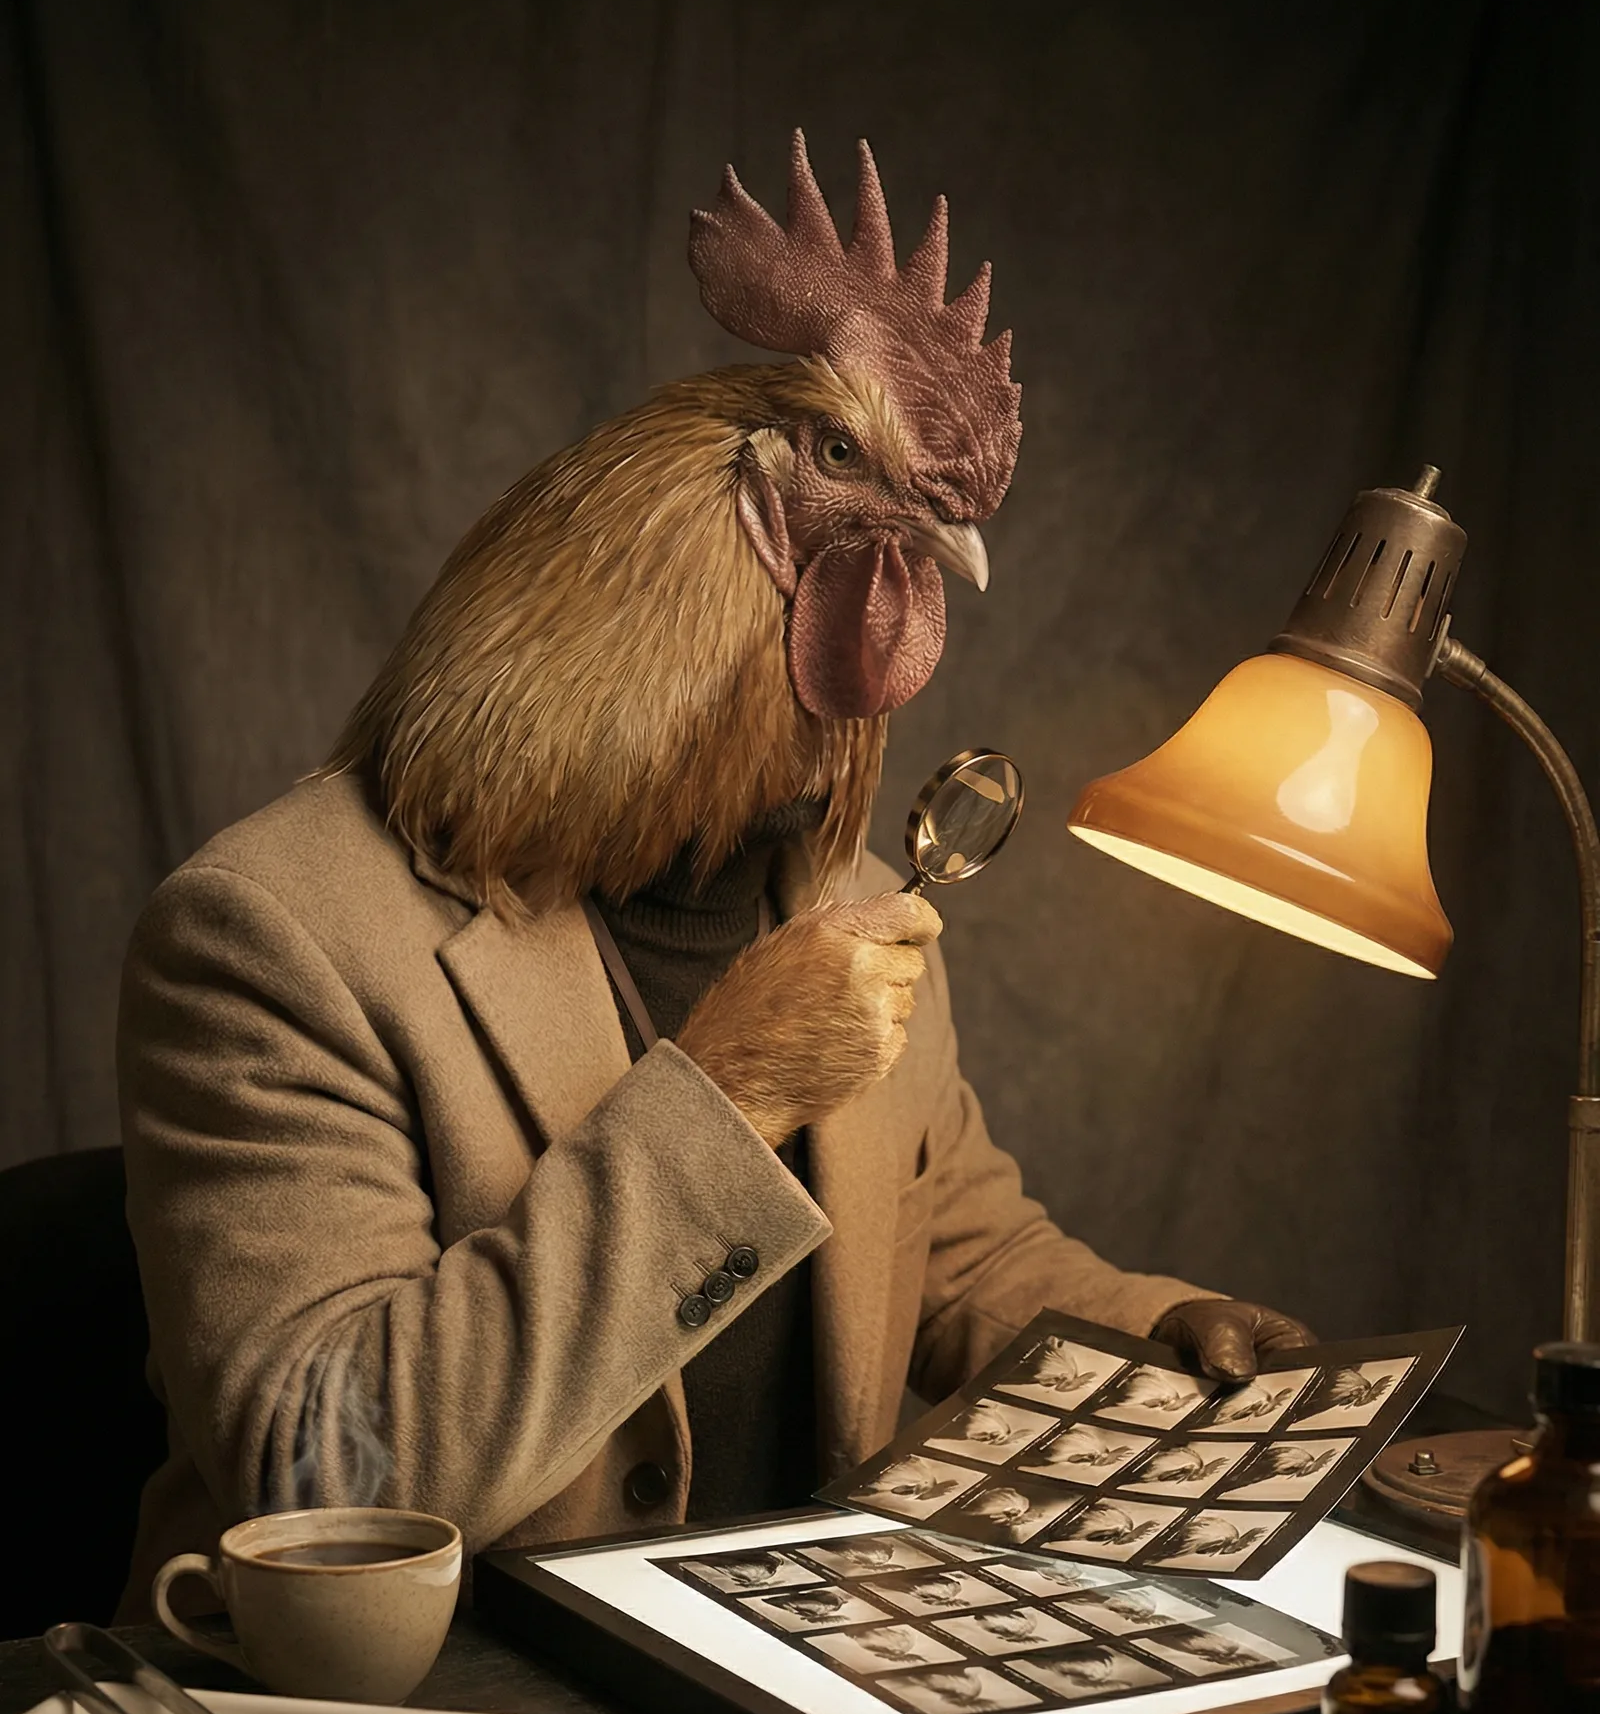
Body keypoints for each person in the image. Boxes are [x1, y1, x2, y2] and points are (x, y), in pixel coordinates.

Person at [114, 135, 1310, 1612]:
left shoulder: (843, 893)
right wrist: (729, 1097)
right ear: (738, 504)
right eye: (839, 456)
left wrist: (1166, 1325)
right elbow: (323, 1467)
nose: (939, 530)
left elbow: (945, 1245)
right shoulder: (276, 936)